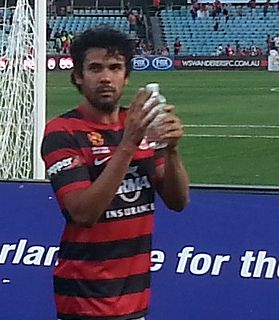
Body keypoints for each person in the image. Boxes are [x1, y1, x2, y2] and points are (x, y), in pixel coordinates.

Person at [41, 27, 190, 320]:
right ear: (78, 77)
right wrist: (128, 145)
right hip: (84, 299)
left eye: (115, 68)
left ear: (127, 76)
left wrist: (172, 150)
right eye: (95, 68)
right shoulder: (63, 132)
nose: (106, 77)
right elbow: (83, 213)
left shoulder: (137, 124)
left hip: (135, 297)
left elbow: (178, 200)